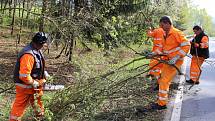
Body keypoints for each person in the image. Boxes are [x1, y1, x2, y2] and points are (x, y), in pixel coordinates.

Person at [151, 16, 190, 110]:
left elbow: (187, 45)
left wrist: (177, 57)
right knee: (162, 79)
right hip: (167, 60)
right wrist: (153, 53)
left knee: (164, 81)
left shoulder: (176, 33)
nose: (161, 27)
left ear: (168, 23)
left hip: (175, 62)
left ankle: (162, 104)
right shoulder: (165, 33)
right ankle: (161, 101)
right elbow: (162, 48)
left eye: (162, 25)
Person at [9, 32, 48, 121]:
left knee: (38, 104)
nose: (43, 46)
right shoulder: (28, 55)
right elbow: (24, 75)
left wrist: (44, 73)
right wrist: (33, 82)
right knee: (19, 108)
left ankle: (39, 118)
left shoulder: (36, 50)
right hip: (25, 86)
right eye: (43, 44)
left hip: (35, 86)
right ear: (40, 43)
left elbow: (37, 66)